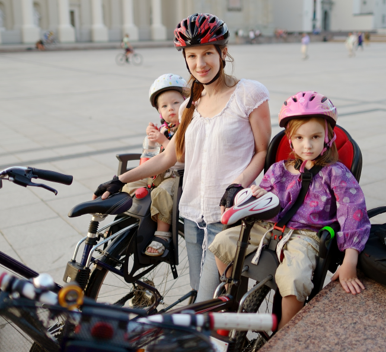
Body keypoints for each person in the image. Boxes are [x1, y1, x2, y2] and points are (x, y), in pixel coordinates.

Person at [93, 13, 271, 302]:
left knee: (206, 300)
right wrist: (118, 180)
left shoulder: (249, 94)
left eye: (207, 54)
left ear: (223, 53)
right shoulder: (189, 105)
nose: (200, 64)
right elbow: (168, 157)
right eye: (192, 56)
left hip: (226, 214)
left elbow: (263, 151)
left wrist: (237, 184)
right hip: (190, 214)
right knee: (198, 290)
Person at [210, 91, 370, 329]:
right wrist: (261, 196)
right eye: (300, 138)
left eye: (315, 136)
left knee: (294, 279)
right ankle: (229, 288)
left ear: (328, 136)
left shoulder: (336, 173)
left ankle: (285, 332)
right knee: (222, 241)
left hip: (305, 237)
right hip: (268, 228)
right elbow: (264, 198)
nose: (307, 145)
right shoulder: (278, 170)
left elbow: (353, 213)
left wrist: (350, 259)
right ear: (290, 139)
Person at [121, 74, 188, 256]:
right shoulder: (164, 129)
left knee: (162, 193)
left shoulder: (188, 128)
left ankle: (162, 234)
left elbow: (180, 157)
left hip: (177, 178)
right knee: (130, 186)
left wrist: (163, 141)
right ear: (159, 111)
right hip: (156, 174)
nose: (171, 109)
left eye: (176, 103)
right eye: (164, 106)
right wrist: (152, 140)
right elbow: (149, 156)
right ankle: (127, 222)